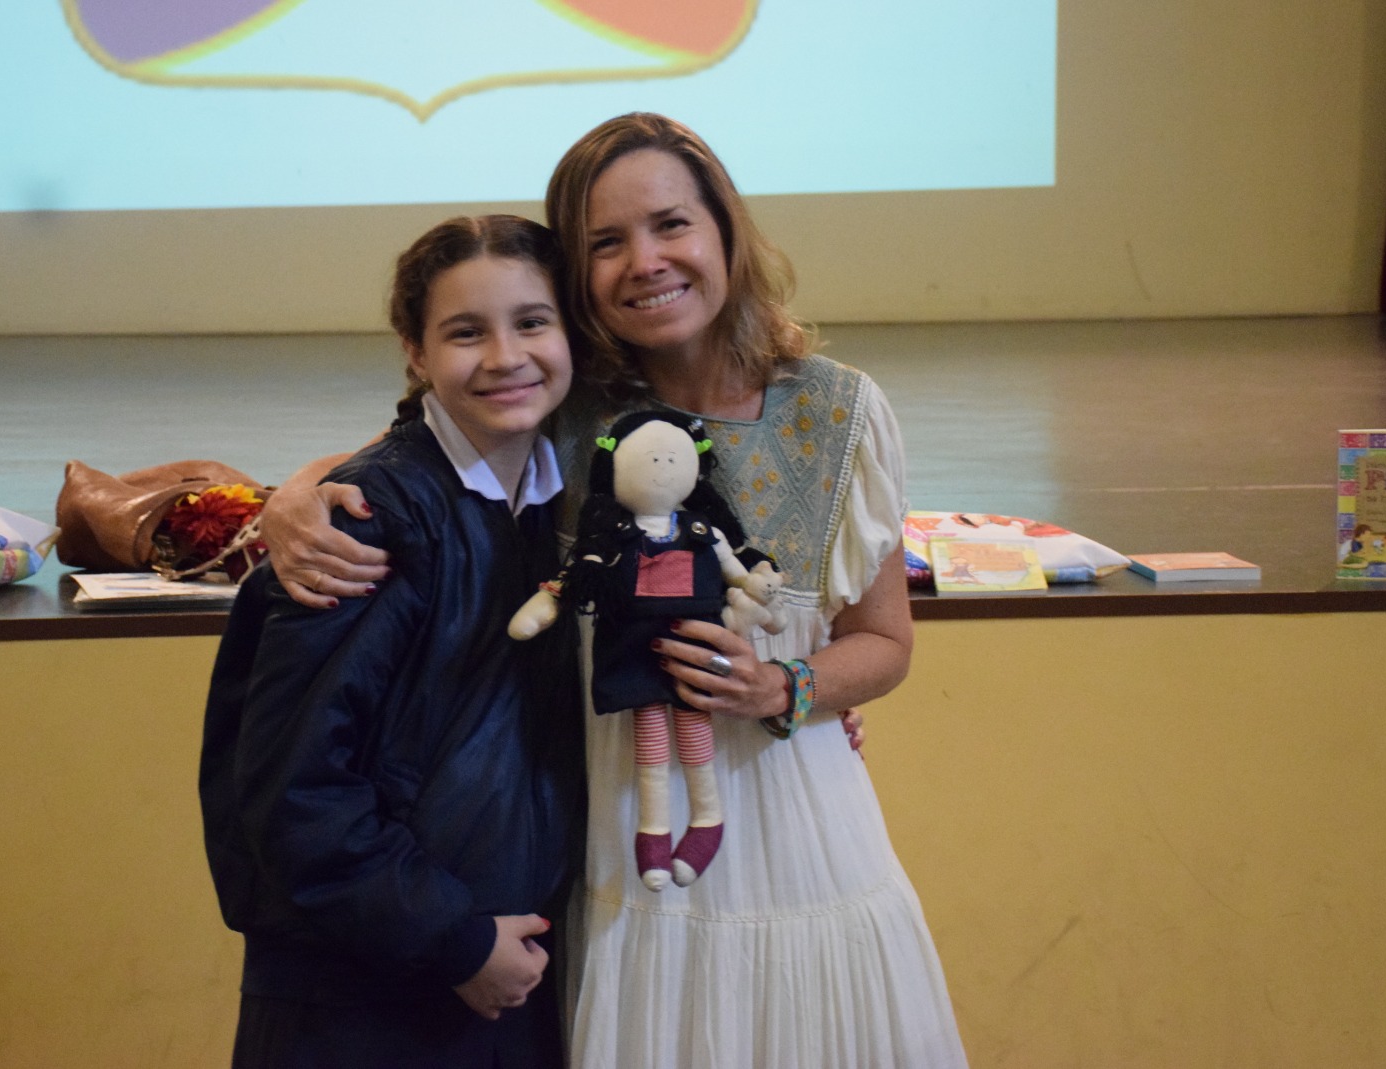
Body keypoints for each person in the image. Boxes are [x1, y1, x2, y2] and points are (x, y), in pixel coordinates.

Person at [263, 114, 969, 1068]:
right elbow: (414, 452)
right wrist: (294, 498)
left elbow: (885, 642)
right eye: (605, 242)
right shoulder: (568, 409)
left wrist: (788, 688)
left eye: (672, 223)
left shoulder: (840, 408)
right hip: (626, 843)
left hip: (804, 829)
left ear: (724, 231)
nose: (646, 260)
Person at [199, 214, 583, 1068]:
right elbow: (294, 787)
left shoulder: (564, 502)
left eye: (531, 321)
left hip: (503, 974)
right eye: (463, 331)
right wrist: (454, 940)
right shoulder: (364, 522)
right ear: (414, 349)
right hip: (366, 1000)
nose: (505, 355)